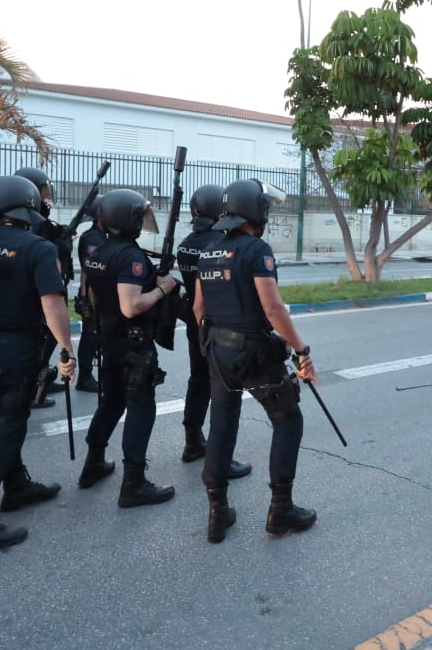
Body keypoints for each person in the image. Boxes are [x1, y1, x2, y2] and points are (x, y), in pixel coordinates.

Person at [0, 175, 76, 553]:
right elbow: (52, 303)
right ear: (27, 205)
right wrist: (67, 349)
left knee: (1, 418)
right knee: (8, 426)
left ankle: (17, 485)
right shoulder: (37, 248)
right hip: (16, 346)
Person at [192, 178, 317, 544]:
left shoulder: (209, 250)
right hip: (254, 354)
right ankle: (281, 510)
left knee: (222, 423)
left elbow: (199, 308)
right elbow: (273, 307)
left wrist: (212, 346)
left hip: (218, 352)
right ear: (255, 212)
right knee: (288, 419)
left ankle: (217, 513)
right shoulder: (256, 250)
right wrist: (301, 349)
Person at [75, 189, 176, 506]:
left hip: (110, 340)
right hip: (134, 344)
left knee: (111, 403)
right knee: (141, 409)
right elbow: (131, 306)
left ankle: (93, 462)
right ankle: (134, 483)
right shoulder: (129, 256)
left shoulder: (99, 250)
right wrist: (162, 289)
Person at [173, 184, 250, 479]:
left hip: (196, 324)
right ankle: (221, 458)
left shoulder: (187, 243)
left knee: (199, 381)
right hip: (221, 327)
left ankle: (193, 440)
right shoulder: (221, 243)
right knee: (224, 392)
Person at [16, 167, 67, 408]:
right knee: (41, 339)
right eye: (42, 190)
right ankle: (35, 385)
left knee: (45, 340)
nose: (46, 197)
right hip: (38, 290)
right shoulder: (30, 221)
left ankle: (41, 376)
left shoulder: (39, 218)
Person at [73, 201, 104, 394]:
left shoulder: (101, 237)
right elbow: (88, 270)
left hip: (99, 295)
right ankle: (84, 376)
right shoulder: (93, 238)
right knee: (90, 336)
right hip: (93, 296)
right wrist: (86, 298)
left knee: (96, 335)